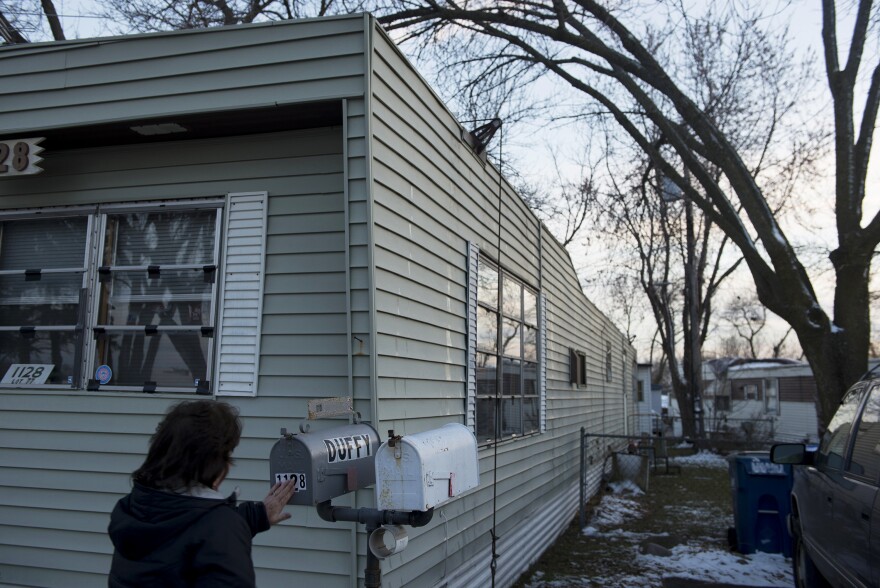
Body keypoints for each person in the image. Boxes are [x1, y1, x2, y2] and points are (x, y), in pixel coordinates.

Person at [107, 400, 296, 587]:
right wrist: (230, 526)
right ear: (211, 463)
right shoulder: (221, 527)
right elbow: (203, 531)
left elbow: (180, 535)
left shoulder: (134, 507)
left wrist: (257, 516)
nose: (228, 465)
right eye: (227, 456)